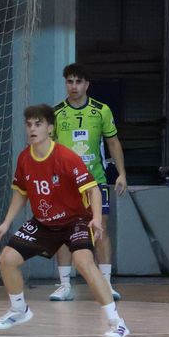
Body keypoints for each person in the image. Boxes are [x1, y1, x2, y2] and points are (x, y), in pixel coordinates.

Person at [0, 104, 128, 337]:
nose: (32, 129)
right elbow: (21, 193)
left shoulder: (65, 157)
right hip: (44, 222)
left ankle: (117, 322)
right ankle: (18, 310)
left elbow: (94, 190)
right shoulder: (25, 158)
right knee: (6, 259)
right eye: (29, 124)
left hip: (75, 220)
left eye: (38, 124)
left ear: (50, 129)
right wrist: (6, 222)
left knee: (83, 262)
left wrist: (95, 218)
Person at [50, 64, 126, 301]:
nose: (74, 86)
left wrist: (121, 173)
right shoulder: (55, 113)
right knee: (63, 231)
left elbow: (113, 142)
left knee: (100, 227)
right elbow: (47, 149)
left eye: (78, 82)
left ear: (87, 84)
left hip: (95, 182)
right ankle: (64, 285)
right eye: (70, 82)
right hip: (65, 183)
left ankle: (105, 284)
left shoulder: (101, 111)